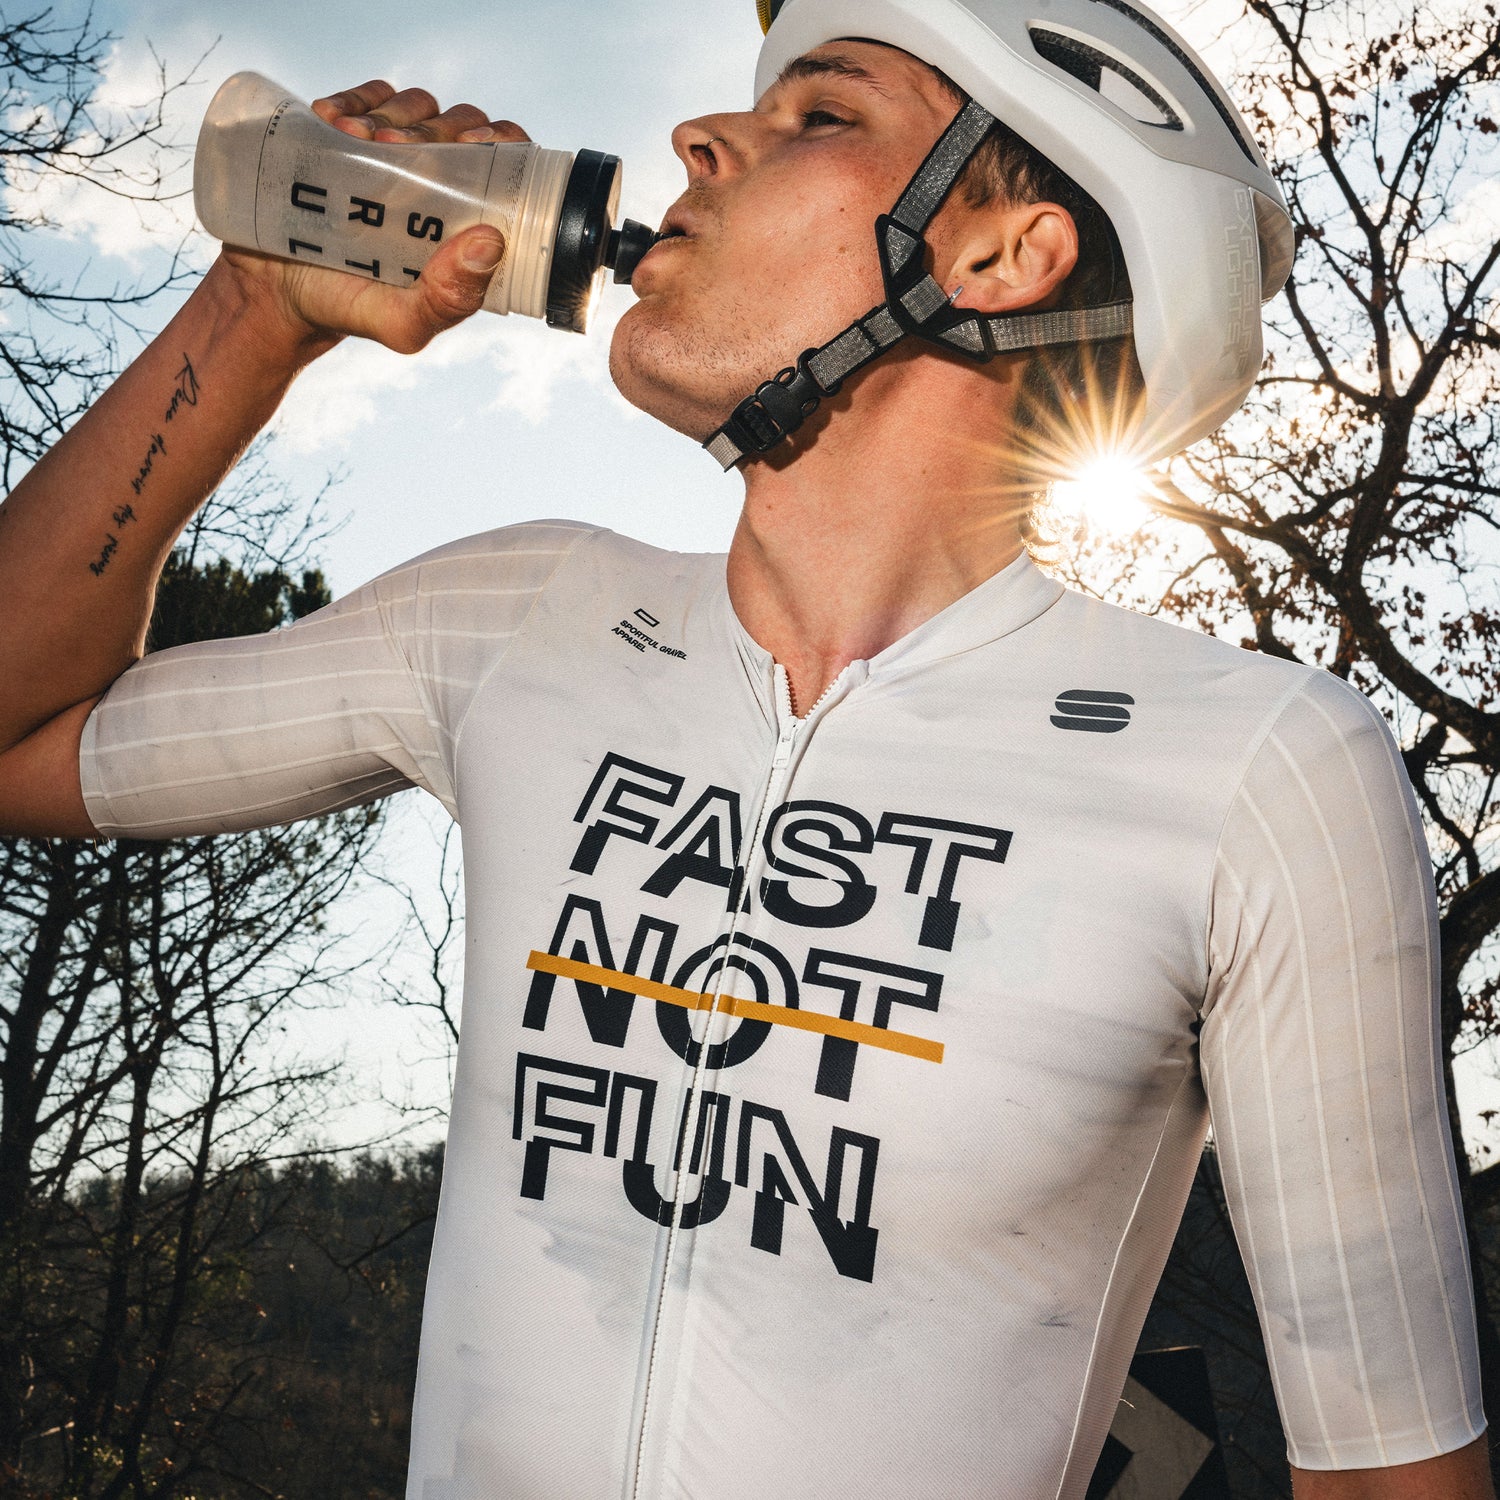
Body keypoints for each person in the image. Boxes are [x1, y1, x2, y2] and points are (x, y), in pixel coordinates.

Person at [0, 0, 1491, 1494]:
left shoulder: (1256, 771)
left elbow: (1387, 1474)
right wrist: (254, 315)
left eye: (820, 115)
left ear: (999, 258)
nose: (699, 138)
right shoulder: (515, 616)